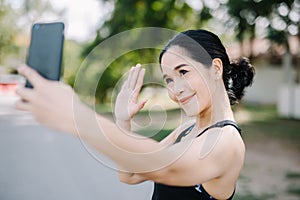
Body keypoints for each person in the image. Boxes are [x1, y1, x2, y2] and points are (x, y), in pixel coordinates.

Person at [16, 29, 255, 200]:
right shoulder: (188, 128)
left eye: (183, 71)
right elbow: (129, 174)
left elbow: (165, 168)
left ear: (215, 68)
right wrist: (123, 120)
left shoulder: (227, 142)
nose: (176, 88)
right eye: (169, 80)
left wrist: (76, 116)